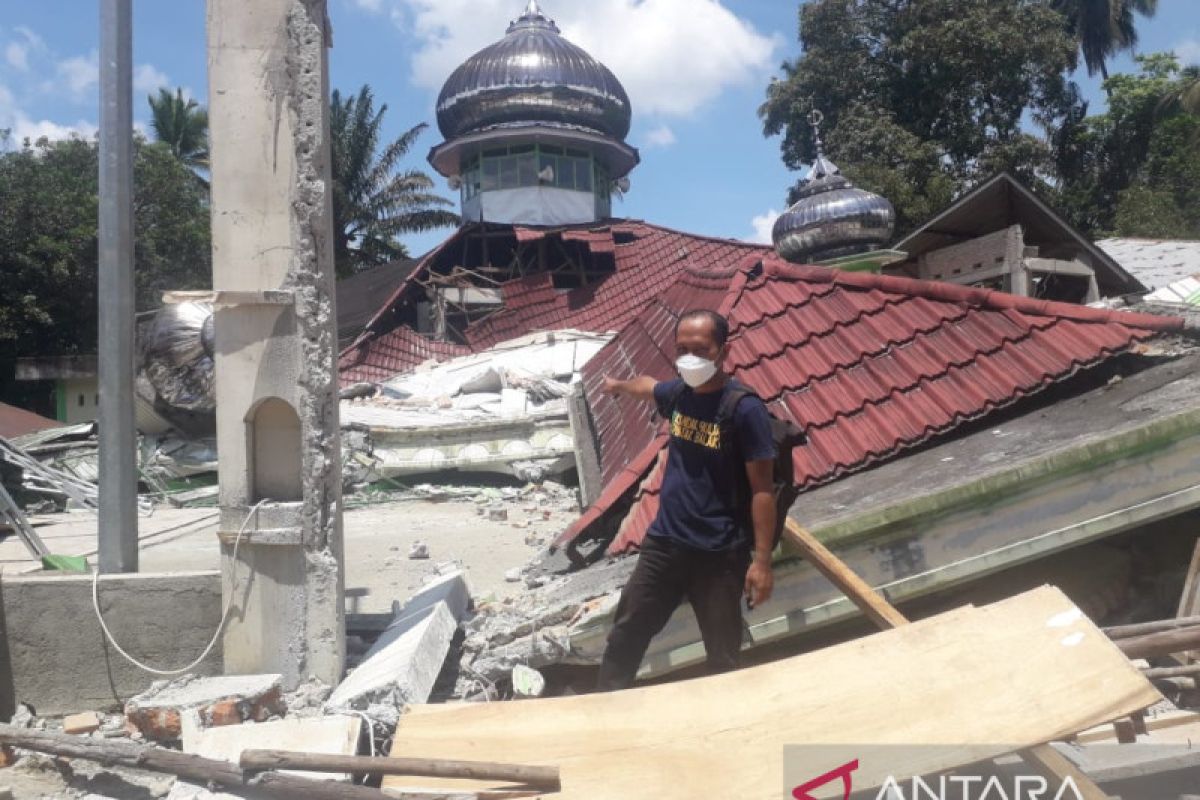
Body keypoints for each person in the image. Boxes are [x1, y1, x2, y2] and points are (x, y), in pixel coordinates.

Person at [595, 308, 776, 691]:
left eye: (700, 349)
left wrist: (762, 562)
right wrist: (619, 385)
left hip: (720, 554)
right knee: (625, 635)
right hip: (665, 544)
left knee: (725, 655)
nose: (689, 359)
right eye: (681, 350)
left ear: (722, 352)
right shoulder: (679, 393)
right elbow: (648, 386)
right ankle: (604, 712)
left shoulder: (744, 410)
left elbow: (762, 490)